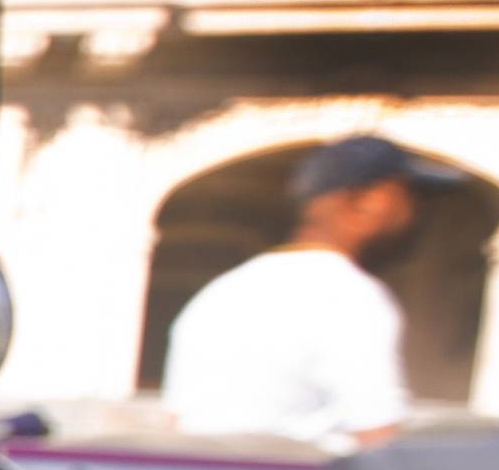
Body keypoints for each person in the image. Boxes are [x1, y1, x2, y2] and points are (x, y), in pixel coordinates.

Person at [159, 132, 453, 449]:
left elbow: (179, 422)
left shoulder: (220, 293)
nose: (414, 215)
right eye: (409, 197)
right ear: (362, 201)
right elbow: (378, 441)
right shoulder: (350, 298)